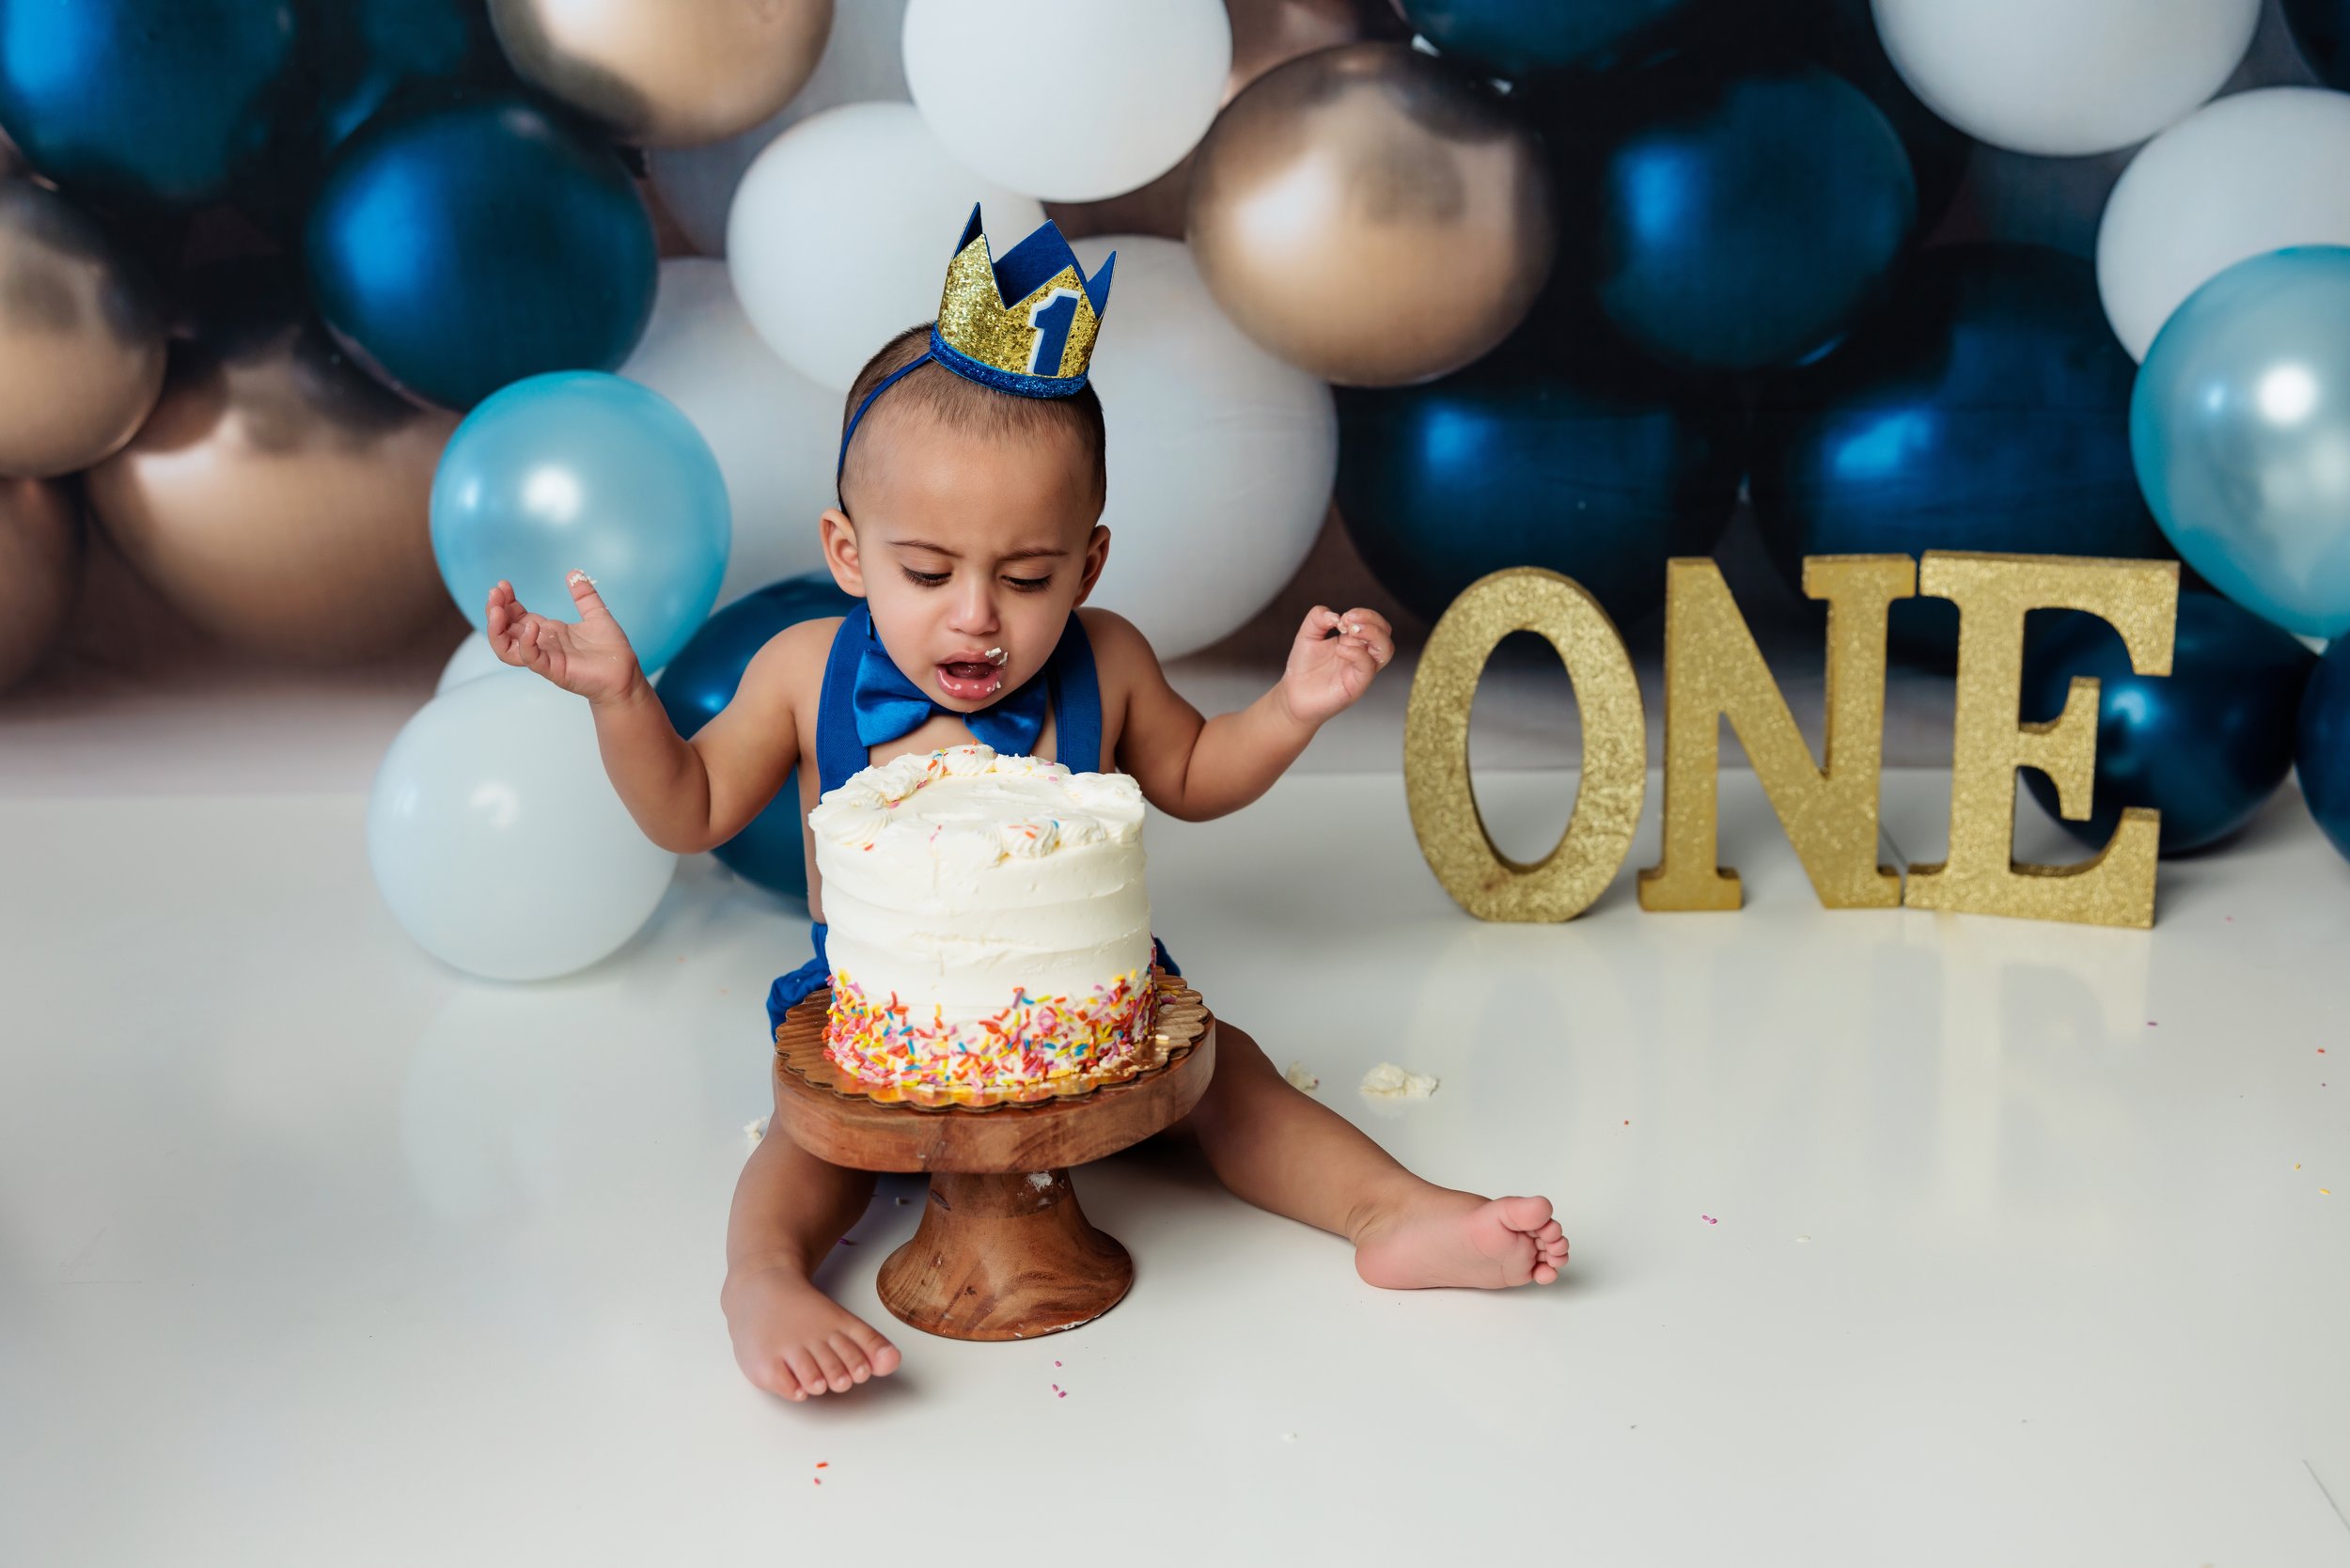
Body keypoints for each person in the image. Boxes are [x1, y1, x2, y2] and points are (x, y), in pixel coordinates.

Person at [483, 207, 1567, 1403]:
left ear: (1088, 565)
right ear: (848, 551)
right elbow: (686, 811)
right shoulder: (803, 669)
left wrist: (1294, 707)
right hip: (880, 1019)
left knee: (1229, 1078)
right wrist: (620, 699)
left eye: (1028, 576)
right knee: (810, 1151)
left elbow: (1198, 776)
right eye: (926, 572)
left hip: (1094, 1011)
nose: (976, 618)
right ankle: (762, 1279)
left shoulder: (1105, 658)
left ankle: (1393, 1213)